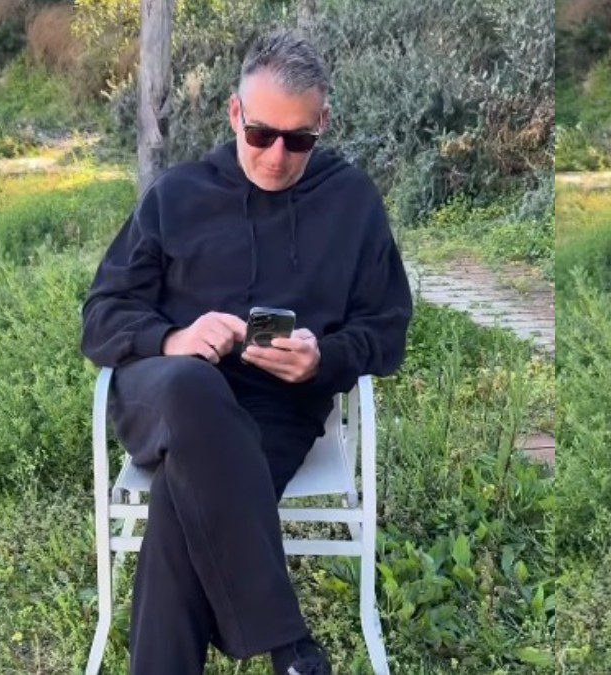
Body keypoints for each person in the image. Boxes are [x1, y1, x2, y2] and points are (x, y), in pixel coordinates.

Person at [80, 29, 412, 675]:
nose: (277, 155)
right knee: (193, 385)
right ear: (234, 113)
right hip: (163, 392)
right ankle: (289, 643)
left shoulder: (352, 202)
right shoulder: (177, 194)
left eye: (298, 139)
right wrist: (172, 339)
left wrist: (324, 359)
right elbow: (103, 314)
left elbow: (387, 326)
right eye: (261, 134)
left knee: (181, 506)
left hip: (276, 410)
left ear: (323, 123)